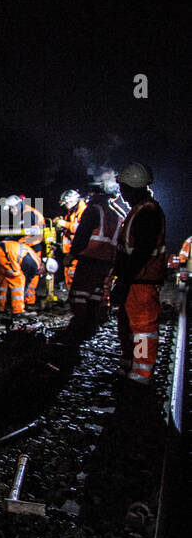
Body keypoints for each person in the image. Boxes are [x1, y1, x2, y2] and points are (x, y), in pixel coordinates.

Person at [111, 163, 166, 388]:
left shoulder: (148, 212)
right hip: (133, 280)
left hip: (141, 282)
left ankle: (140, 375)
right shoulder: (139, 210)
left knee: (142, 329)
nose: (122, 194)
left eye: (124, 189)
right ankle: (129, 365)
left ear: (134, 187)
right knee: (127, 326)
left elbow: (141, 251)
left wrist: (124, 280)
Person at [56, 183, 122, 344]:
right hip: (107, 260)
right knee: (95, 294)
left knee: (79, 294)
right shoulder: (115, 214)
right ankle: (90, 327)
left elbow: (82, 233)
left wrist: (72, 254)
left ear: (94, 195)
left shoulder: (93, 210)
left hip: (90, 256)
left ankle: (78, 328)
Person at [0, 236, 39, 316]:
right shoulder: (34, 263)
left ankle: (1, 308)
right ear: (43, 266)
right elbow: (26, 281)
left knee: (2, 280)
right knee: (18, 278)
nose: (41, 274)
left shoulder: (32, 255)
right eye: (43, 272)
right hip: (2, 253)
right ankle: (18, 311)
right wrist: (24, 294)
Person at [54, 189, 86, 293]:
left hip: (79, 250)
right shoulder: (72, 212)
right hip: (71, 251)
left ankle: (77, 299)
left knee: (76, 277)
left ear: (71, 201)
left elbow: (82, 228)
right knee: (69, 275)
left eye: (65, 203)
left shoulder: (82, 210)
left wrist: (64, 224)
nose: (65, 206)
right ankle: (72, 299)